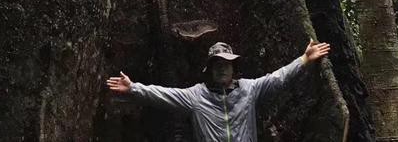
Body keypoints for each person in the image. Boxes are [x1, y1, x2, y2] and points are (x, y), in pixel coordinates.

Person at [106, 39, 330, 142]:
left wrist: (304, 59)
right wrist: (133, 88)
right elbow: (164, 94)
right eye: (217, 65)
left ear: (234, 68)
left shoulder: (249, 90)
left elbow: (278, 78)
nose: (222, 69)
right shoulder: (196, 96)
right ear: (210, 69)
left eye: (227, 64)